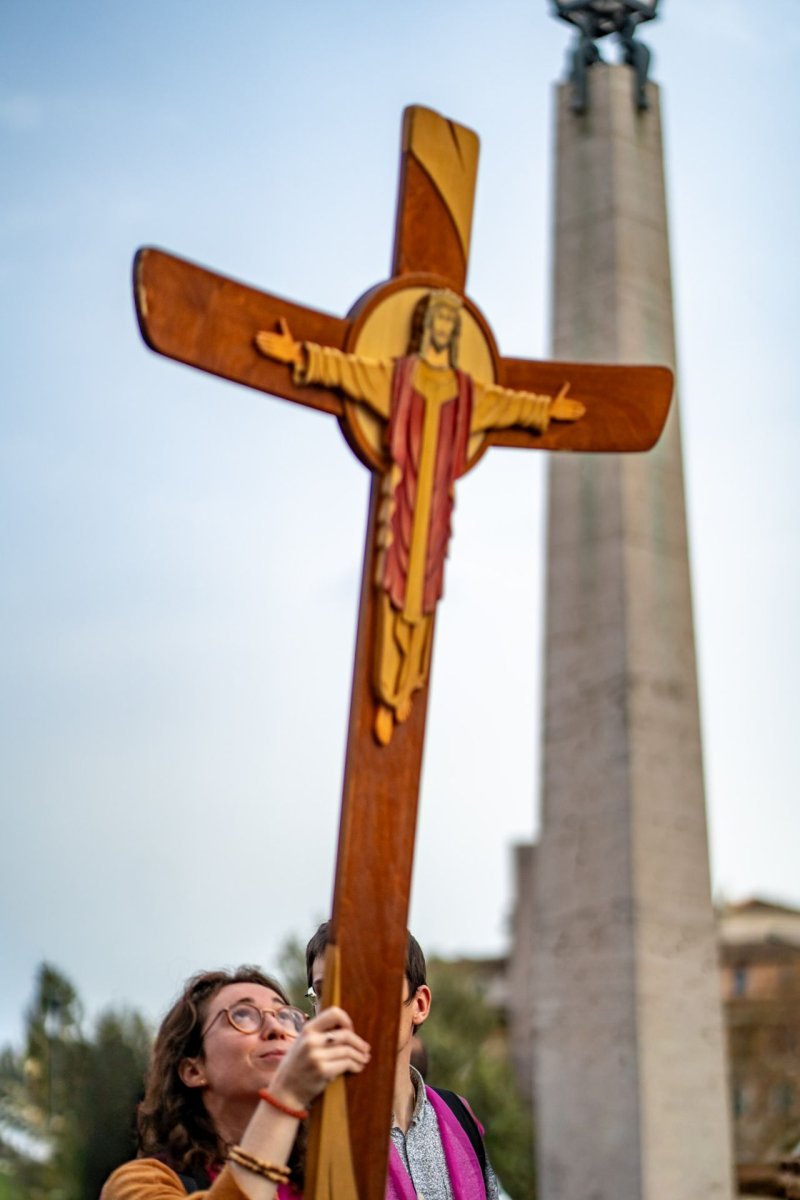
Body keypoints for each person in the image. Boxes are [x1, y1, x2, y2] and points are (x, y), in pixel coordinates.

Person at [255, 289, 584, 746]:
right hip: (404, 503)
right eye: (439, 320)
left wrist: (545, 411)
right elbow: (351, 372)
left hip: (435, 514)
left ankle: (406, 683)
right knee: (394, 583)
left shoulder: (466, 394)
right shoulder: (398, 380)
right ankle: (388, 687)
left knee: (425, 591)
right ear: (425, 326)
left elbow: (506, 404)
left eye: (451, 323)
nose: (444, 329)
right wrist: (301, 356)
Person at [101, 965, 370, 1199]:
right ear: (193, 1070)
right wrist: (285, 1097)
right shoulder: (138, 1184)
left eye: (285, 1016)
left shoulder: (330, 1181)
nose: (275, 1028)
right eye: (242, 1015)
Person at [305, 923, 500, 1200]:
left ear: (420, 1004)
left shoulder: (458, 1115)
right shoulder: (306, 1131)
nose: (345, 1005)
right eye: (325, 991)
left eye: (371, 983)